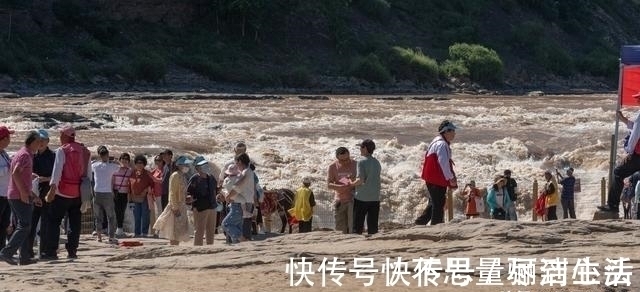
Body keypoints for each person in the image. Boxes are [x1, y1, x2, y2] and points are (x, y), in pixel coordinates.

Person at [43, 124, 91, 260]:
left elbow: (57, 172)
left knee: (54, 221)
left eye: (60, 135)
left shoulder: (62, 151)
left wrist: (52, 189)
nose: (59, 138)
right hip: (78, 193)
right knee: (75, 223)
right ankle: (72, 251)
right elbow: (88, 175)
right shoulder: (85, 151)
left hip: (62, 193)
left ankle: (51, 252)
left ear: (64, 136)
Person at [0, 131, 42, 266]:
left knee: (23, 225)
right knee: (24, 225)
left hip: (14, 194)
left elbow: (21, 175)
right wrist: (24, 193)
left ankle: (24, 257)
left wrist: (33, 195)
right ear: (32, 142)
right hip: (17, 195)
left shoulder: (23, 153)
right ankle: (7, 252)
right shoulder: (24, 154)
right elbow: (16, 173)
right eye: (38, 142)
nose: (40, 144)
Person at [416, 120, 459, 225]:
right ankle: (436, 226)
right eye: (452, 131)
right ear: (446, 132)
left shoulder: (438, 142)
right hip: (436, 179)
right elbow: (443, 162)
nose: (454, 133)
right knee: (438, 204)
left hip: (432, 178)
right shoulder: (441, 144)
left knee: (434, 203)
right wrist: (451, 178)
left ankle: (420, 223)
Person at [599, 108, 640, 213]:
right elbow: (635, 126)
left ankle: (613, 206)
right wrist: (623, 119)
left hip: (637, 156)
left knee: (618, 172)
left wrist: (629, 151)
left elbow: (635, 134)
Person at [153, 156, 192, 245]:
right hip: (176, 206)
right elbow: (172, 192)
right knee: (174, 228)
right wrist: (175, 207)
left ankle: (175, 245)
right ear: (179, 165)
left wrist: (187, 198)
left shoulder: (182, 176)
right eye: (184, 164)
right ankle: (173, 245)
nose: (186, 166)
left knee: (179, 228)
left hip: (181, 205)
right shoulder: (175, 175)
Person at [28, 129, 55, 258]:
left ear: (48, 141)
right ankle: (28, 251)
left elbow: (57, 175)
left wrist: (46, 179)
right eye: (39, 140)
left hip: (47, 192)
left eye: (43, 140)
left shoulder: (53, 156)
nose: (41, 142)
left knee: (45, 223)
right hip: (33, 192)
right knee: (31, 223)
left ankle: (43, 251)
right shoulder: (32, 155)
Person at [350, 139, 381, 235]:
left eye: (361, 147)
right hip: (375, 197)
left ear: (365, 149)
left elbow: (360, 180)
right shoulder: (377, 162)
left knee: (358, 226)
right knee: (373, 227)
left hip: (362, 198)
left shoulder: (361, 162)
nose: (360, 149)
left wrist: (350, 183)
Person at [221, 153, 254, 244]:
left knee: (226, 224)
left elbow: (238, 187)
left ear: (240, 161)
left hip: (240, 204)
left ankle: (242, 240)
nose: (236, 165)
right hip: (244, 202)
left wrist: (228, 196)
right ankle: (239, 244)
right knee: (237, 225)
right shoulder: (248, 171)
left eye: (236, 162)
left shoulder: (246, 172)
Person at [91, 146, 120, 243]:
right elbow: (119, 167)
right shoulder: (112, 166)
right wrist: (115, 160)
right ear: (107, 155)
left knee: (98, 216)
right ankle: (111, 237)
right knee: (111, 216)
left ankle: (99, 236)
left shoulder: (95, 165)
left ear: (99, 155)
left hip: (97, 192)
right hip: (107, 193)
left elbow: (89, 165)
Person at [187, 156, 217, 246]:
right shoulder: (194, 179)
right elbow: (188, 193)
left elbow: (215, 190)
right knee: (199, 230)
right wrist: (189, 199)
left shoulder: (211, 178)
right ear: (197, 168)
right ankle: (197, 249)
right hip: (200, 208)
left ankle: (210, 248)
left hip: (212, 207)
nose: (205, 166)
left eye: (205, 164)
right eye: (202, 165)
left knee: (211, 230)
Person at [327, 146, 356, 234]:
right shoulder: (332, 167)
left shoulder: (356, 164)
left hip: (353, 199)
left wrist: (354, 180)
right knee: (340, 229)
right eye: (342, 160)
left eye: (347, 159)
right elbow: (328, 185)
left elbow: (363, 180)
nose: (345, 162)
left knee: (352, 228)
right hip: (339, 200)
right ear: (337, 158)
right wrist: (338, 187)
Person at [129, 155, 154, 238]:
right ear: (135, 164)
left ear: (144, 164)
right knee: (136, 216)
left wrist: (146, 190)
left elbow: (152, 184)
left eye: (141, 163)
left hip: (145, 197)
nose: (139, 164)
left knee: (145, 215)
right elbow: (129, 184)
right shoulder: (132, 172)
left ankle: (144, 232)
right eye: (137, 163)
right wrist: (130, 196)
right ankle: (137, 233)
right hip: (134, 197)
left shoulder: (147, 173)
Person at [0, 125, 14, 252]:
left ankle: (2, 250)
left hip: (6, 194)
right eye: (8, 137)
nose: (9, 140)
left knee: (4, 224)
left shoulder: (4, 153)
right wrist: (8, 169)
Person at [112, 153, 132, 237]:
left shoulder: (130, 170)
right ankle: (118, 229)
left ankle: (119, 229)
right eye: (123, 159)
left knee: (122, 211)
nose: (124, 160)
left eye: (126, 159)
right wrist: (112, 191)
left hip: (124, 193)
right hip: (116, 192)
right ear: (120, 160)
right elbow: (112, 181)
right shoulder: (115, 169)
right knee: (117, 211)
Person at [148, 155, 165, 237]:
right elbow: (148, 175)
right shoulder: (156, 170)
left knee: (160, 213)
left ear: (163, 161)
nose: (158, 162)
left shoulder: (164, 170)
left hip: (161, 194)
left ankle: (160, 231)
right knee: (157, 213)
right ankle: (157, 231)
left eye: (159, 160)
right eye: (156, 160)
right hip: (155, 195)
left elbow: (161, 181)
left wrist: (151, 177)